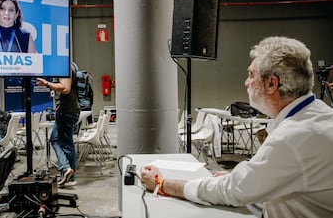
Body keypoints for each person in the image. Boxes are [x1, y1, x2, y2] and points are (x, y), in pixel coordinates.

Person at [140, 36, 333, 218]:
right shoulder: (318, 116)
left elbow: (231, 191)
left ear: (271, 84)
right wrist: (246, 179)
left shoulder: (292, 138)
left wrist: (163, 184)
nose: (246, 82)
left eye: (251, 75)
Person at [36, 64, 80, 187]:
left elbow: (65, 88)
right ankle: (66, 170)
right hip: (67, 110)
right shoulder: (67, 66)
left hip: (66, 111)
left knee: (66, 144)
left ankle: (69, 174)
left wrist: (47, 84)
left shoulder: (63, 66)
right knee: (55, 139)